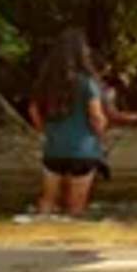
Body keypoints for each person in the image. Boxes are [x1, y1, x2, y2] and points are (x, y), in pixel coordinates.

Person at [28, 28, 111, 215]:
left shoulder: (45, 82)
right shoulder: (87, 83)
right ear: (82, 53)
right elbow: (96, 117)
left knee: (47, 202)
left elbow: (33, 109)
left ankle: (37, 235)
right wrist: (101, 133)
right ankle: (71, 241)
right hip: (83, 152)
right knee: (76, 207)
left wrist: (44, 130)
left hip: (53, 151)